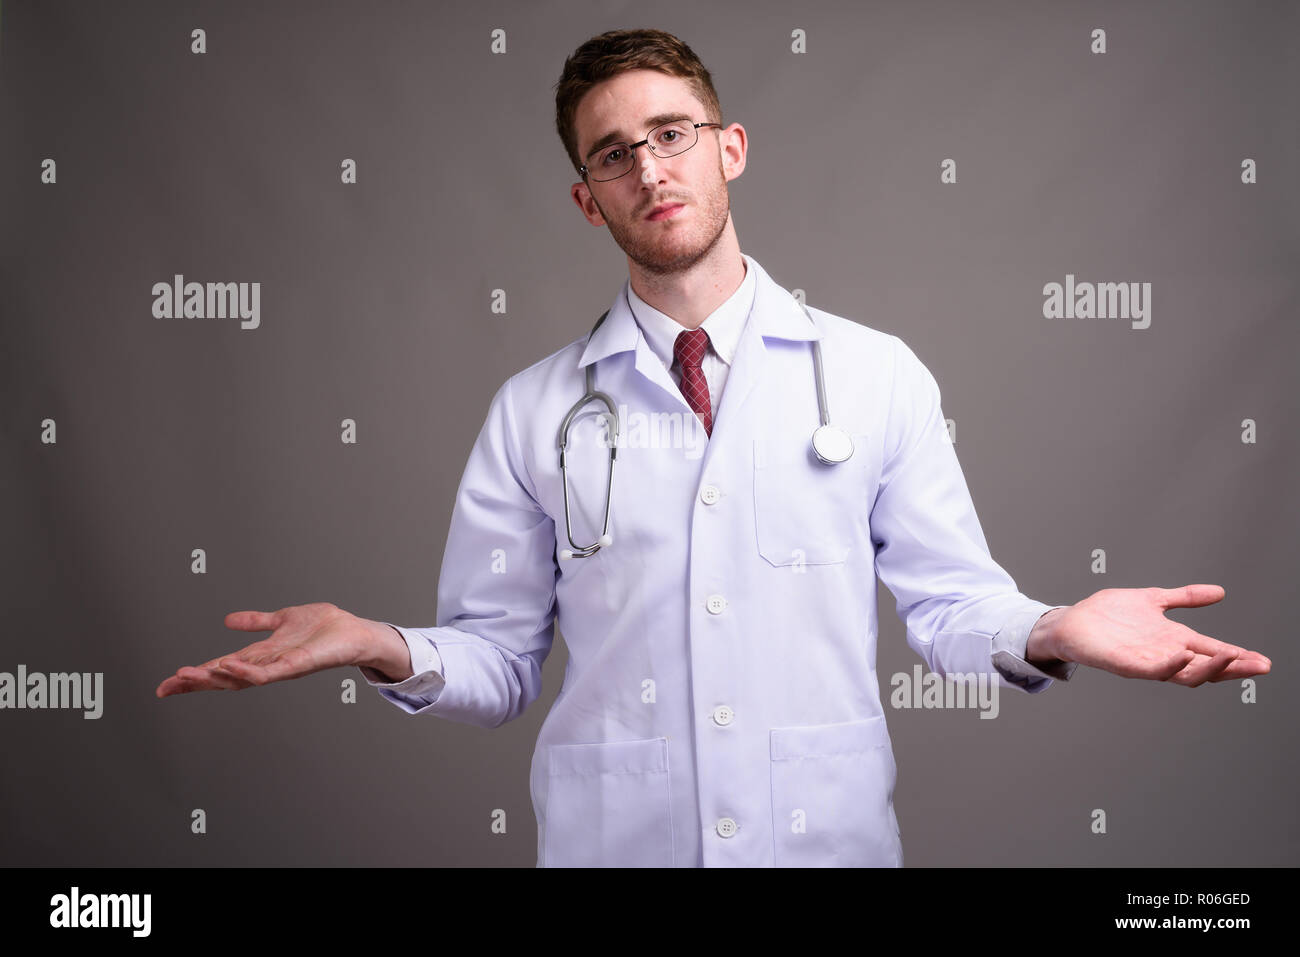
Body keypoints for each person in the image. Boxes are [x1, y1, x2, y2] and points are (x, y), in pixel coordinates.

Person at [156, 28, 1271, 867]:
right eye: (613, 155)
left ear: (728, 146)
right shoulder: (532, 409)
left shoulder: (875, 373)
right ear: (587, 200)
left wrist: (1051, 625)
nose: (649, 169)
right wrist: (382, 645)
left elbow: (947, 605)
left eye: (671, 135)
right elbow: (498, 663)